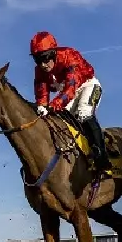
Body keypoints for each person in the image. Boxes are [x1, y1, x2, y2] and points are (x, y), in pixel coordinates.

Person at [30, 31, 111, 173]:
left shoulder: (69, 55)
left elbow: (70, 88)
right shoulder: (40, 71)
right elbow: (41, 92)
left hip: (87, 86)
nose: (42, 65)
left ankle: (102, 157)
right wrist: (42, 107)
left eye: (45, 58)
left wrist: (52, 106)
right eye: (37, 60)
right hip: (66, 93)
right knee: (60, 120)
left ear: (53, 53)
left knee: (83, 113)